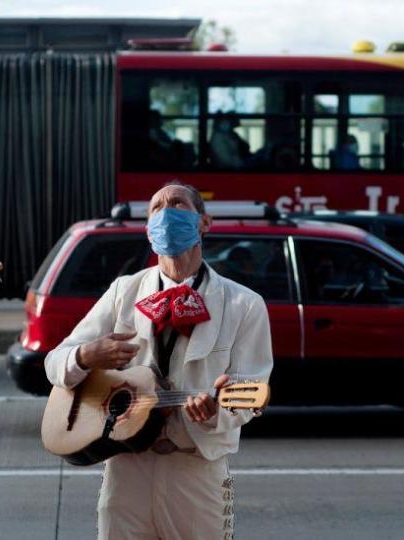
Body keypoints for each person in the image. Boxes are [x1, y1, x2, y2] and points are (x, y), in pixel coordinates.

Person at [45, 182, 273, 540]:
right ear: (148, 228)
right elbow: (54, 363)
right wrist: (86, 356)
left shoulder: (243, 304)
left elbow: (250, 389)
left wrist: (217, 411)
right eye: (156, 207)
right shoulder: (125, 290)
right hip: (126, 469)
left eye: (177, 203)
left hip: (196, 470)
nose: (165, 212)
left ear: (204, 223)